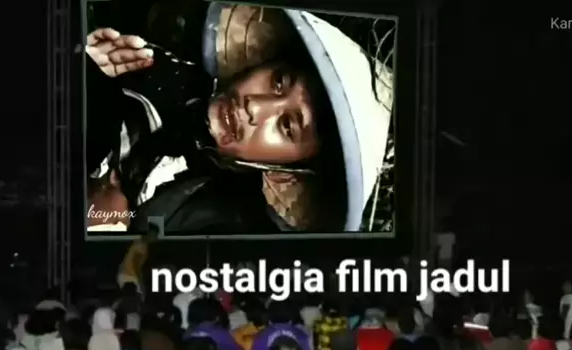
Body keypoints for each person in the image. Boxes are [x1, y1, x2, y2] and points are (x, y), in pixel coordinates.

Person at [85, 6, 394, 234]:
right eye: (278, 81)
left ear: (292, 171)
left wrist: (103, 229)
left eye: (287, 126)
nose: (255, 106)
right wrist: (85, 71)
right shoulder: (158, 66)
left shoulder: (220, 226)